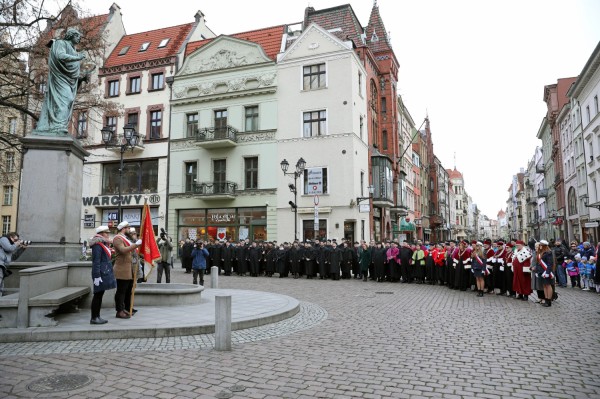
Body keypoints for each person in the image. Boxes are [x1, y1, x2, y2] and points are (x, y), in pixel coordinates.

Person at [33, 27, 91, 136]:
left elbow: (71, 72)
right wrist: (78, 57)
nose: (79, 39)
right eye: (78, 36)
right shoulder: (60, 43)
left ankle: (59, 125)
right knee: (66, 98)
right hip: (58, 79)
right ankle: (58, 125)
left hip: (66, 80)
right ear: (71, 35)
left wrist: (81, 78)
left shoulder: (73, 50)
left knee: (67, 100)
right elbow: (60, 56)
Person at [112, 221, 142, 319]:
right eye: (128, 228)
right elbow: (123, 250)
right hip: (122, 269)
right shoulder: (117, 238)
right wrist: (136, 244)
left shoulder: (125, 238)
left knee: (128, 290)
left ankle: (125, 308)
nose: (129, 229)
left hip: (128, 269)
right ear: (123, 228)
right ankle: (119, 311)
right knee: (121, 291)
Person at [89, 226, 117, 324]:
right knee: (97, 295)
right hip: (99, 273)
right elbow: (96, 262)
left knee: (100, 295)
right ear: (101, 234)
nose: (108, 234)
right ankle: (94, 317)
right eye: (106, 232)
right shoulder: (97, 244)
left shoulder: (102, 244)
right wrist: (97, 276)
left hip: (102, 272)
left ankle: (97, 316)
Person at [0, 232, 28, 296]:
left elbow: (13, 257)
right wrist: (17, 244)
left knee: (1, 288)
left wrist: (22, 248)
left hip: (3, 267)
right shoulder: (3, 239)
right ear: (10, 237)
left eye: (17, 240)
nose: (16, 241)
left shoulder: (11, 245)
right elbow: (9, 248)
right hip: (0, 265)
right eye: (15, 240)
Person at [535, 240, 555, 307]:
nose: (539, 246)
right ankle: (546, 299)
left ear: (544, 246)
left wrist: (547, 272)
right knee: (544, 286)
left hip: (546, 271)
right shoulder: (540, 253)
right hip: (541, 271)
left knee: (548, 285)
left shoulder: (548, 253)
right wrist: (537, 271)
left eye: (541, 245)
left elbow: (550, 264)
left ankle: (549, 301)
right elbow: (538, 263)